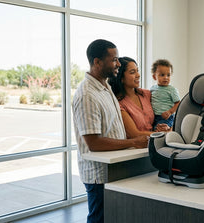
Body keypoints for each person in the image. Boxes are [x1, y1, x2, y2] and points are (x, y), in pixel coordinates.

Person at [72, 39, 148, 223]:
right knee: (100, 219)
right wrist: (133, 142)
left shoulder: (104, 87)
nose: (118, 64)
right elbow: (94, 142)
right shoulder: (87, 95)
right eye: (114, 60)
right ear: (97, 62)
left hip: (114, 169)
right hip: (99, 174)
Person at [109, 57, 170, 138]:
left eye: (137, 71)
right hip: (136, 149)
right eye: (132, 72)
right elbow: (134, 134)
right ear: (121, 78)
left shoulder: (147, 94)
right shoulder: (118, 103)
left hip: (155, 142)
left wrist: (165, 128)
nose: (138, 75)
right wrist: (163, 134)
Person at [150, 59, 180, 129]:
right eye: (162, 75)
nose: (166, 77)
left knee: (161, 130)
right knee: (154, 129)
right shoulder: (152, 89)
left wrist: (170, 112)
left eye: (168, 75)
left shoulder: (171, 90)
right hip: (154, 117)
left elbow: (178, 103)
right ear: (154, 77)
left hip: (167, 117)